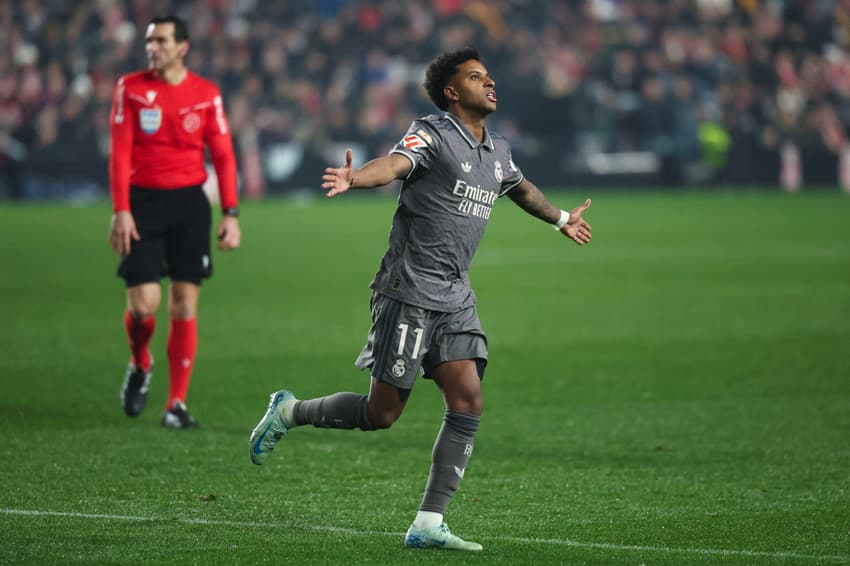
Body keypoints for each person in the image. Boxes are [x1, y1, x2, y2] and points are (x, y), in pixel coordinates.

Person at [248, 47, 591, 551]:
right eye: (477, 78)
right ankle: (289, 411)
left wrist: (561, 219)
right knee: (381, 413)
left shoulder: (497, 150)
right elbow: (393, 163)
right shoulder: (432, 133)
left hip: (455, 294)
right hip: (408, 290)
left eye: (489, 76)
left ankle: (429, 521)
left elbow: (519, 189)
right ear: (453, 92)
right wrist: (354, 177)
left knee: (468, 397)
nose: (490, 83)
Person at [108, 15, 241, 429]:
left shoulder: (205, 94)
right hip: (142, 204)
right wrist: (121, 209)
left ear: (182, 46)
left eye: (162, 41)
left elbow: (222, 153)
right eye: (150, 41)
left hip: (189, 205)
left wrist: (231, 213)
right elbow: (120, 152)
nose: (153, 47)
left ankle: (176, 404)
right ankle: (139, 361)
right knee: (143, 305)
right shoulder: (130, 88)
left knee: (184, 304)